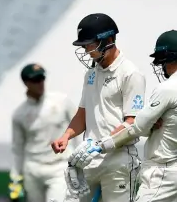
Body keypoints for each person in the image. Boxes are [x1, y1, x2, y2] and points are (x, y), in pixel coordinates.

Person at [69, 30, 177, 202]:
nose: (161, 66)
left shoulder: (168, 87)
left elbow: (137, 127)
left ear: (171, 57)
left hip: (164, 170)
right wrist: (150, 124)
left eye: (162, 60)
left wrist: (100, 146)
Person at [51, 13, 146, 202]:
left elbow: (132, 123)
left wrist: (101, 145)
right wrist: (66, 135)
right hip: (89, 160)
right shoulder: (91, 74)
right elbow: (83, 113)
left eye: (90, 45)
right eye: (85, 47)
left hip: (119, 161)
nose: (87, 51)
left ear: (108, 40)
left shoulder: (130, 74)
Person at [8, 63, 81, 202]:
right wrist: (15, 177)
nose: (40, 83)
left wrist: (80, 159)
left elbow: (79, 127)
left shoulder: (61, 101)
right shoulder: (19, 114)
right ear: (26, 83)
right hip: (33, 169)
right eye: (35, 80)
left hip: (60, 166)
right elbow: (18, 148)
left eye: (42, 78)